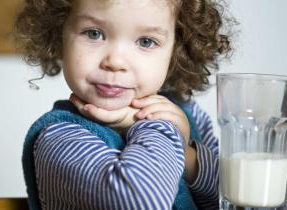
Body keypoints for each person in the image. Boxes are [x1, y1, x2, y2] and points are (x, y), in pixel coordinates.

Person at [14, 0, 232, 209]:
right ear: (59, 34)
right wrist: (151, 122)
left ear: (177, 51)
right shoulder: (59, 138)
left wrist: (187, 154)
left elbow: (235, 198)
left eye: (146, 41)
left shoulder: (187, 114)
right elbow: (142, 202)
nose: (115, 61)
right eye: (94, 33)